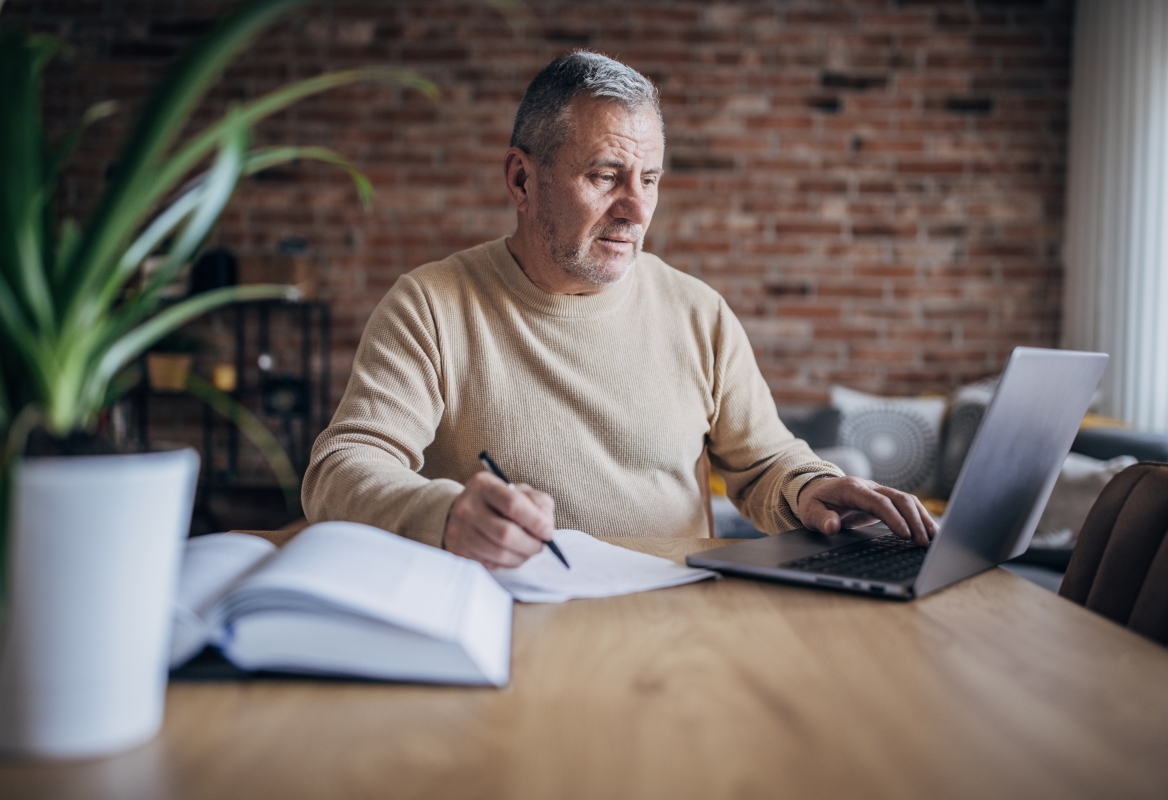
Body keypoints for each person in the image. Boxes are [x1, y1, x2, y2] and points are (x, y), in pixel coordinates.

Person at [302, 52, 938, 569]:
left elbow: (765, 462)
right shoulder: (432, 307)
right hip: (513, 624)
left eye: (651, 179)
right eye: (606, 176)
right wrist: (443, 517)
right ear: (522, 181)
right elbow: (341, 469)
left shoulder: (698, 311)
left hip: (676, 629)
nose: (636, 210)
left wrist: (809, 487)